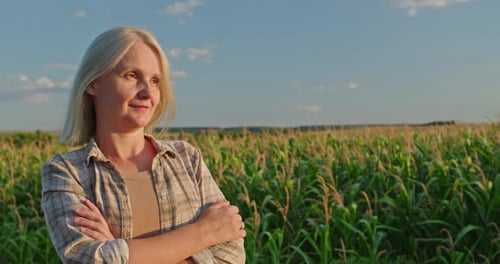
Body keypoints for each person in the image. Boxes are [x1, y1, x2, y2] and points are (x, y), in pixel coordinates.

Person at [41, 27, 246, 263]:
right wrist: (204, 232)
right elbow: (88, 259)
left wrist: (118, 250)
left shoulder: (186, 158)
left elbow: (231, 255)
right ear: (93, 83)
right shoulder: (66, 172)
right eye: (131, 75)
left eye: (155, 80)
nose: (148, 92)